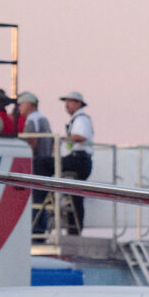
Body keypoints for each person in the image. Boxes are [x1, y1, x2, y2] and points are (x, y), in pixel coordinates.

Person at [17, 92, 55, 234]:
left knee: (35, 198)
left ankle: (35, 230)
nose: (19, 107)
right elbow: (51, 141)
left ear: (30, 104)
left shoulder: (31, 120)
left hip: (38, 162)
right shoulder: (43, 118)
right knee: (42, 197)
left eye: (21, 104)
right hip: (47, 160)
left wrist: (28, 158)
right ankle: (41, 228)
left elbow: (32, 140)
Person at [60, 91, 94, 234]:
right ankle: (74, 228)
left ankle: (75, 228)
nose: (67, 105)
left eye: (70, 102)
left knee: (43, 164)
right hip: (80, 159)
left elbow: (81, 136)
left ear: (78, 103)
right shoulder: (77, 119)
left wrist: (64, 139)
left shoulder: (81, 119)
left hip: (79, 159)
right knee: (75, 195)